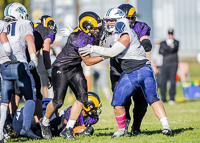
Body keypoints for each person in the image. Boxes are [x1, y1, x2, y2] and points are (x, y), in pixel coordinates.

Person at [79, 8, 172, 138]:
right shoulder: (114, 34)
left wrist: (93, 48)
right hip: (129, 72)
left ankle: (165, 126)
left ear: (120, 20)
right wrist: (80, 33)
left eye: (112, 20)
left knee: (152, 98)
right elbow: (101, 40)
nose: (109, 23)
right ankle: (122, 129)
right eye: (108, 20)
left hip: (142, 69)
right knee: (117, 102)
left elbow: (111, 52)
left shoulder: (126, 32)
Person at [39, 11, 105, 140]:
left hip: (75, 67)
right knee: (58, 101)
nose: (98, 30)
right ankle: (45, 121)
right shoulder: (79, 37)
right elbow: (88, 61)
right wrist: (108, 55)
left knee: (82, 97)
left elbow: (96, 43)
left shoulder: (85, 32)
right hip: (61, 68)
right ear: (86, 27)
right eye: (95, 28)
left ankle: (68, 129)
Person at [0, 2, 41, 141]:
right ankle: (26, 128)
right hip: (19, 63)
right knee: (31, 96)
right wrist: (34, 58)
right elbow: (30, 41)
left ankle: (1, 132)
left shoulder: (3, 25)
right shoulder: (24, 23)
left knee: (4, 101)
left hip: (3, 65)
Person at [8, 15, 57, 127]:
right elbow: (45, 55)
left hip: (13, 60)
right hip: (25, 63)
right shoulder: (47, 31)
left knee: (15, 94)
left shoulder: (31, 26)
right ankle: (39, 124)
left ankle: (10, 122)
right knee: (36, 97)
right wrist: (50, 74)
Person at [117, 3, 152, 135]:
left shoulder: (140, 26)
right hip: (118, 68)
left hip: (137, 68)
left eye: (131, 17)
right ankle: (123, 127)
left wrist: (145, 42)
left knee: (142, 102)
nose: (129, 20)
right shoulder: (113, 27)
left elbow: (145, 40)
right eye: (127, 17)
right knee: (122, 100)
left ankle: (136, 128)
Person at [159, 29, 179, 104]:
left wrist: (165, 49)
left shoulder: (176, 42)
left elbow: (174, 49)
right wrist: (170, 48)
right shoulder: (163, 42)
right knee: (162, 81)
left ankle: (172, 98)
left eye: (171, 34)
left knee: (172, 81)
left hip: (173, 64)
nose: (170, 35)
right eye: (169, 34)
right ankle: (163, 98)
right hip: (164, 64)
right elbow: (160, 52)